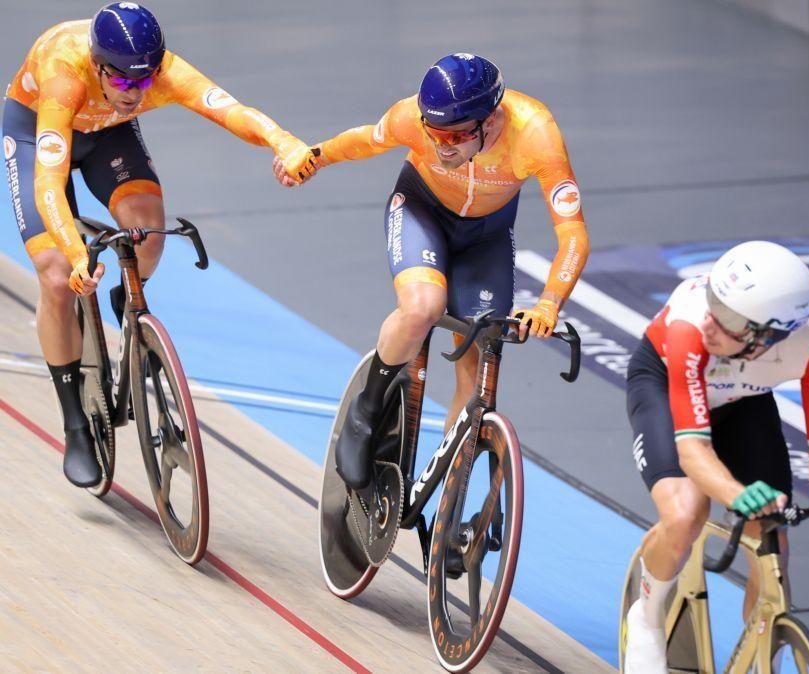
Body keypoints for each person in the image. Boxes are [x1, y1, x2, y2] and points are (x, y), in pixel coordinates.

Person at [3, 3, 318, 488]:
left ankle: (126, 300)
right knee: (55, 276)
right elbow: (48, 183)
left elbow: (229, 110)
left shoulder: (160, 72)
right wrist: (74, 254)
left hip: (107, 134)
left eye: (145, 82)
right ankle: (74, 423)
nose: (137, 93)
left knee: (148, 230)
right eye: (125, 83)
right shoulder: (64, 73)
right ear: (98, 65)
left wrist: (284, 142)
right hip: (37, 132)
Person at [276, 53, 589, 490]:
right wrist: (314, 157)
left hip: (486, 236)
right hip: (422, 210)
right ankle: (365, 412)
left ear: (490, 119)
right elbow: (366, 140)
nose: (443, 146)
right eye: (434, 133)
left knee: (478, 353)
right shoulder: (411, 116)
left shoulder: (535, 133)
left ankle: (450, 498)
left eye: (456, 136)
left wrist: (550, 302)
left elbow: (572, 233)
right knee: (424, 306)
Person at [622, 241, 809, 673]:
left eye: (732, 320)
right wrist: (737, 493)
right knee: (685, 512)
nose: (713, 322)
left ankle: (763, 648)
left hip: (743, 400)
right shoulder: (690, 327)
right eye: (717, 302)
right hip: (664, 383)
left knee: (772, 535)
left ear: (770, 335)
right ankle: (646, 615)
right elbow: (693, 451)